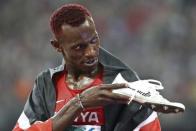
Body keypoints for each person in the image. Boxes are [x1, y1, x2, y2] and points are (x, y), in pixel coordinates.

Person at [13, 3, 161, 131]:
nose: (91, 52)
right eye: (79, 47)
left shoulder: (123, 82)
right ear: (57, 46)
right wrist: (79, 103)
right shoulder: (46, 84)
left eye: (94, 40)